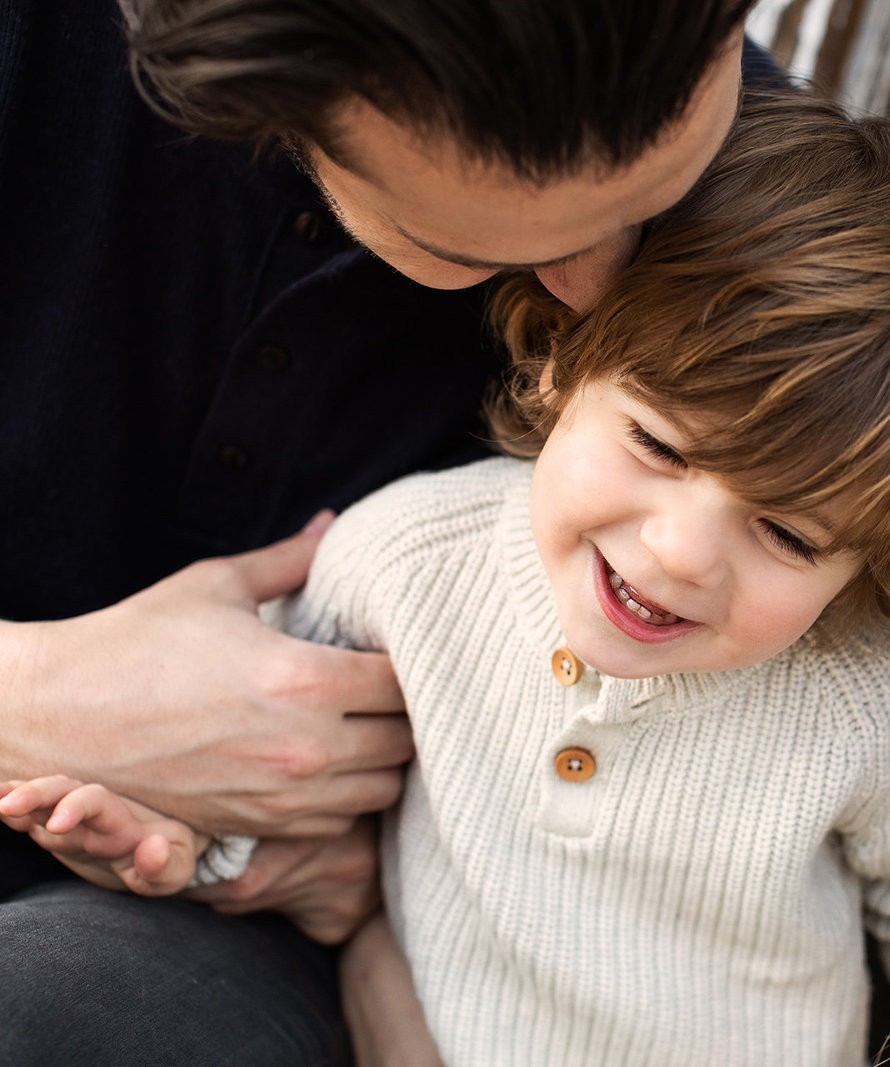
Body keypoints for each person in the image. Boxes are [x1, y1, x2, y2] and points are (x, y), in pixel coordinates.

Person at [2, 94, 890, 1067]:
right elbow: (266, 765)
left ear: (877, 562)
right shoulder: (406, 558)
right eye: (661, 446)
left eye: (788, 532)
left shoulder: (887, 702)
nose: (681, 551)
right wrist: (175, 841)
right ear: (561, 359)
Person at [0, 0, 772, 1063]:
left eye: (662, 194)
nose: (603, 292)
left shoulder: (789, 193)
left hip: (247, 938)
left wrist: (397, 878)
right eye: (462, 246)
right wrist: (33, 699)